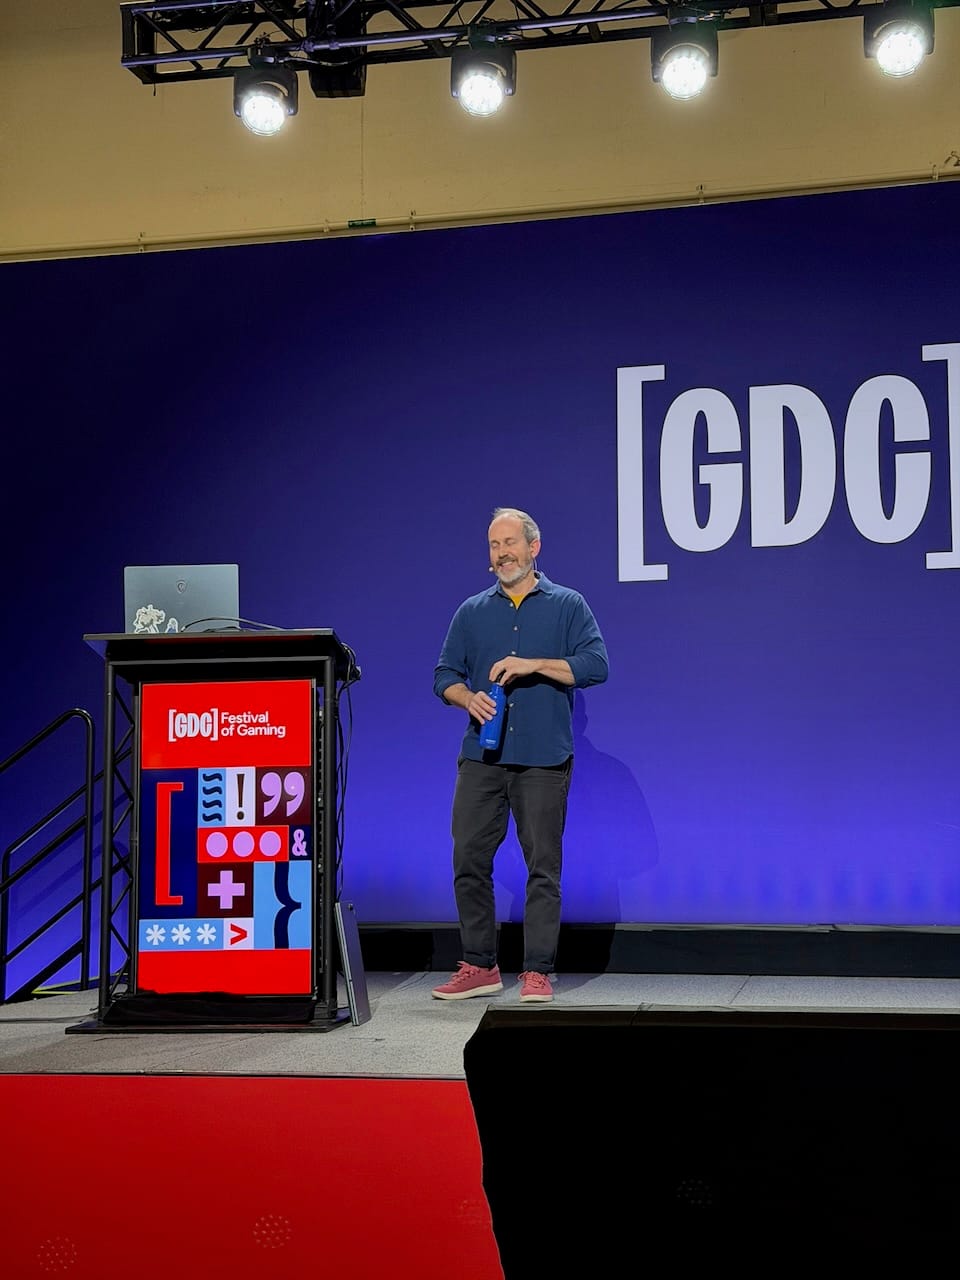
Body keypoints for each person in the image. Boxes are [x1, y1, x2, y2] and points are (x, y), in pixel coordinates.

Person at [431, 507, 609, 1003]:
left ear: (534, 547)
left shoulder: (567, 604)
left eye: (510, 543)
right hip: (481, 758)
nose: (502, 553)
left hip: (543, 759)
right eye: (494, 545)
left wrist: (534, 664)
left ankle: (537, 971)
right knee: (468, 859)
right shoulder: (471, 611)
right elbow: (444, 675)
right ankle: (480, 966)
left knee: (542, 868)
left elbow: (596, 665)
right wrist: (467, 698)